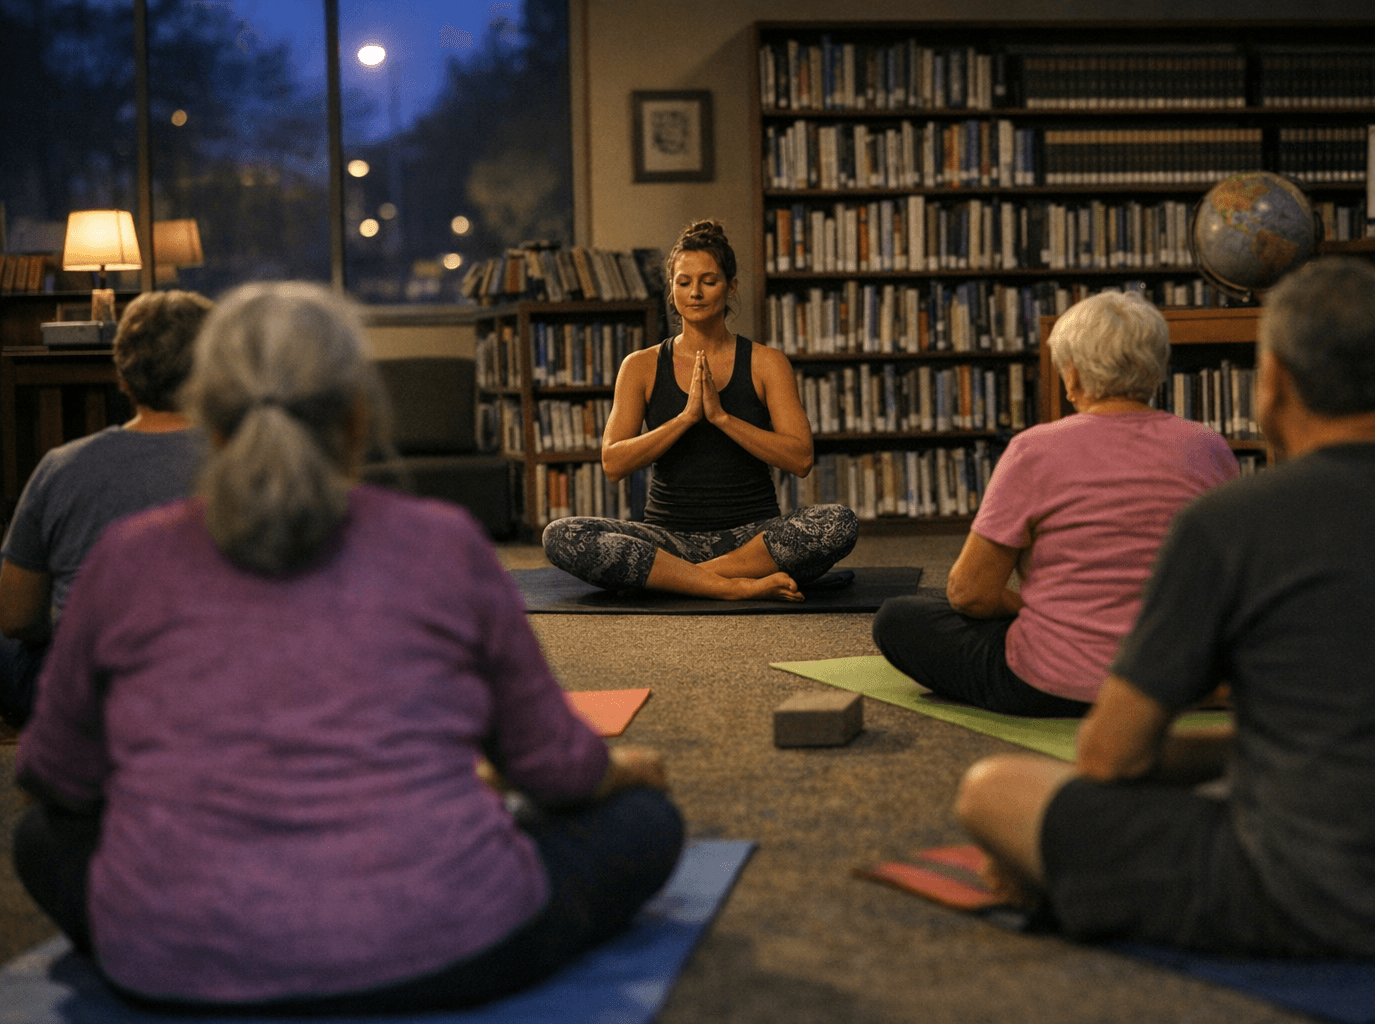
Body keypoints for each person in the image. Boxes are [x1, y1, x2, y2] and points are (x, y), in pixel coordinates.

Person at [12, 281, 684, 1014]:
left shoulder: (126, 556)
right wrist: (618, 771)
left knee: (40, 839)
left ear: (208, 418)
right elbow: (554, 769)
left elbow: (55, 776)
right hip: (447, 943)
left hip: (173, 958)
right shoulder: (444, 542)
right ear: (359, 413)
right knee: (645, 821)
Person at [954, 257, 1375, 957]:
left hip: (1304, 895)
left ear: (1274, 382)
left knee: (993, 788)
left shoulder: (1231, 523)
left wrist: (1216, 754)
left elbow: (1109, 757)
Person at [872, 290, 1238, 716]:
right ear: (1157, 368)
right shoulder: (1207, 447)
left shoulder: (1034, 449)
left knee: (900, 618)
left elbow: (970, 594)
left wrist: (1036, 609)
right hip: (1169, 677)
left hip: (1050, 683)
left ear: (1073, 375)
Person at [542, 220, 857, 601]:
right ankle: (730, 586)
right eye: (683, 282)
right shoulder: (640, 366)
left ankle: (682, 581)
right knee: (562, 534)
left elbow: (801, 458)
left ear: (731, 286)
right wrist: (685, 418)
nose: (695, 293)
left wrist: (723, 418)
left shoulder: (766, 363)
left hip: (752, 540)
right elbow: (613, 463)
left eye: (709, 281)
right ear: (671, 288)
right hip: (667, 540)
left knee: (837, 522)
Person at [0, 289, 211, 729]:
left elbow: (17, 618)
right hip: (214, 681)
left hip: (89, 694)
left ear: (122, 378)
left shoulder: (61, 467)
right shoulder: (252, 465)